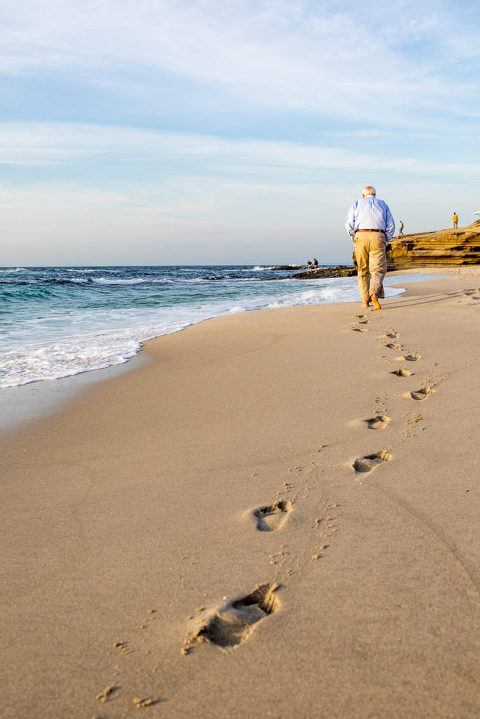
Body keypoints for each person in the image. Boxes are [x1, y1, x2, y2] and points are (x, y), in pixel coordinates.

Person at [345, 185, 395, 310]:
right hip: (378, 235)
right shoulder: (382, 204)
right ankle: (373, 293)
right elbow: (391, 225)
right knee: (378, 269)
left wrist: (354, 236)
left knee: (362, 269)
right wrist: (386, 239)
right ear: (375, 194)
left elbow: (349, 224)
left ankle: (365, 300)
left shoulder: (357, 203)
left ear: (363, 195)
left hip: (360, 234)